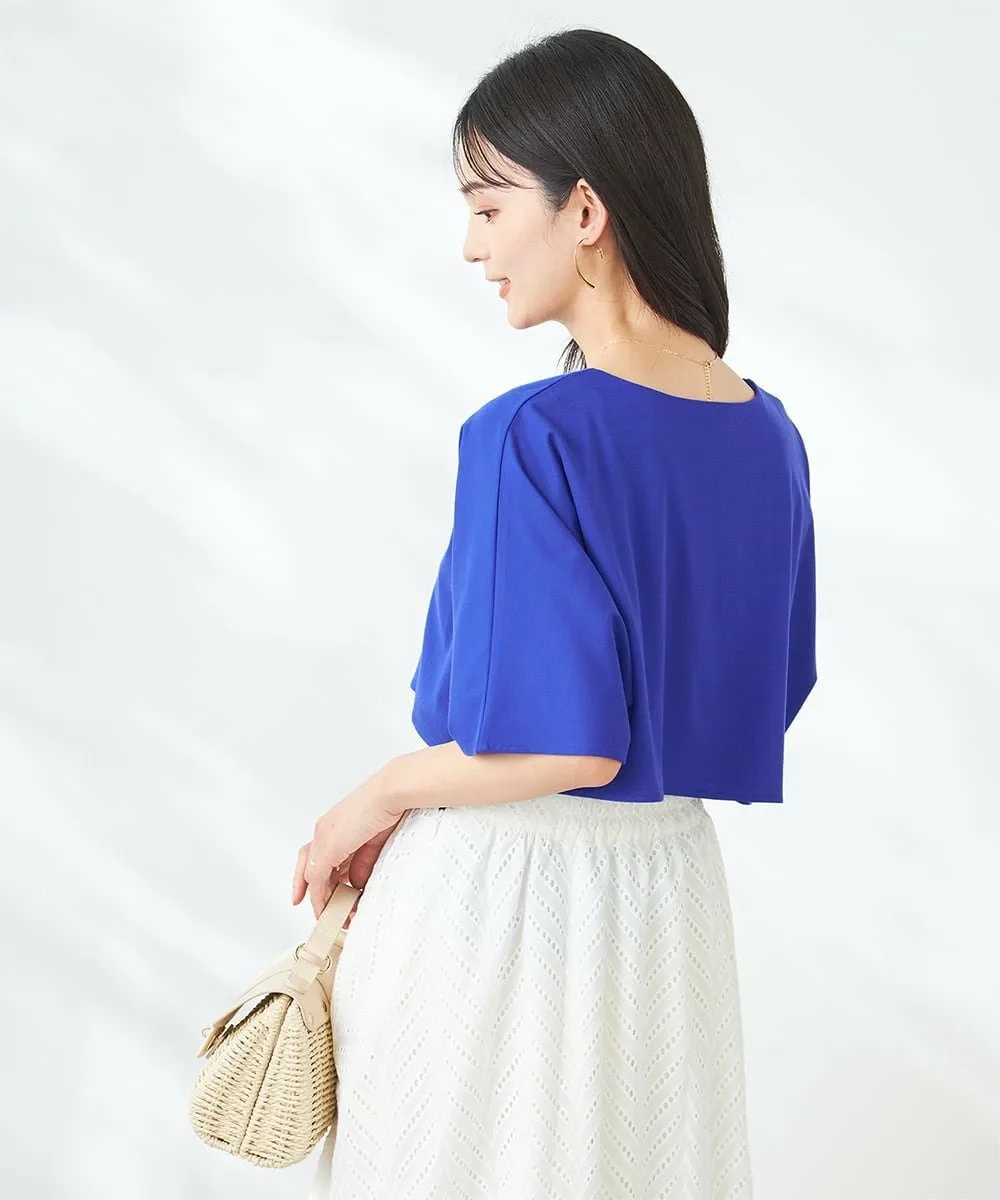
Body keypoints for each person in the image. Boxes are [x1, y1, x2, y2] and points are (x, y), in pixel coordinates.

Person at [302, 26, 817, 1200]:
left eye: (488, 207)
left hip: (501, 899)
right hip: (669, 903)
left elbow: (569, 748)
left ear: (583, 209)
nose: (472, 245)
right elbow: (762, 694)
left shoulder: (531, 436)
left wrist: (374, 796)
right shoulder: (770, 435)